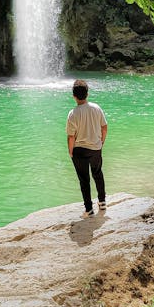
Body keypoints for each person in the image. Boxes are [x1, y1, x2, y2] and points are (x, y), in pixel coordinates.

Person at [66, 78, 107, 218]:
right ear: (87, 94)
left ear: (74, 96)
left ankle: (88, 209)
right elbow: (104, 127)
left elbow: (71, 136)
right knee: (98, 174)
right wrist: (101, 142)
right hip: (96, 147)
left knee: (84, 180)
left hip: (79, 150)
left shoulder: (73, 113)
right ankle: (102, 202)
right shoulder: (96, 108)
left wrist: (70, 151)